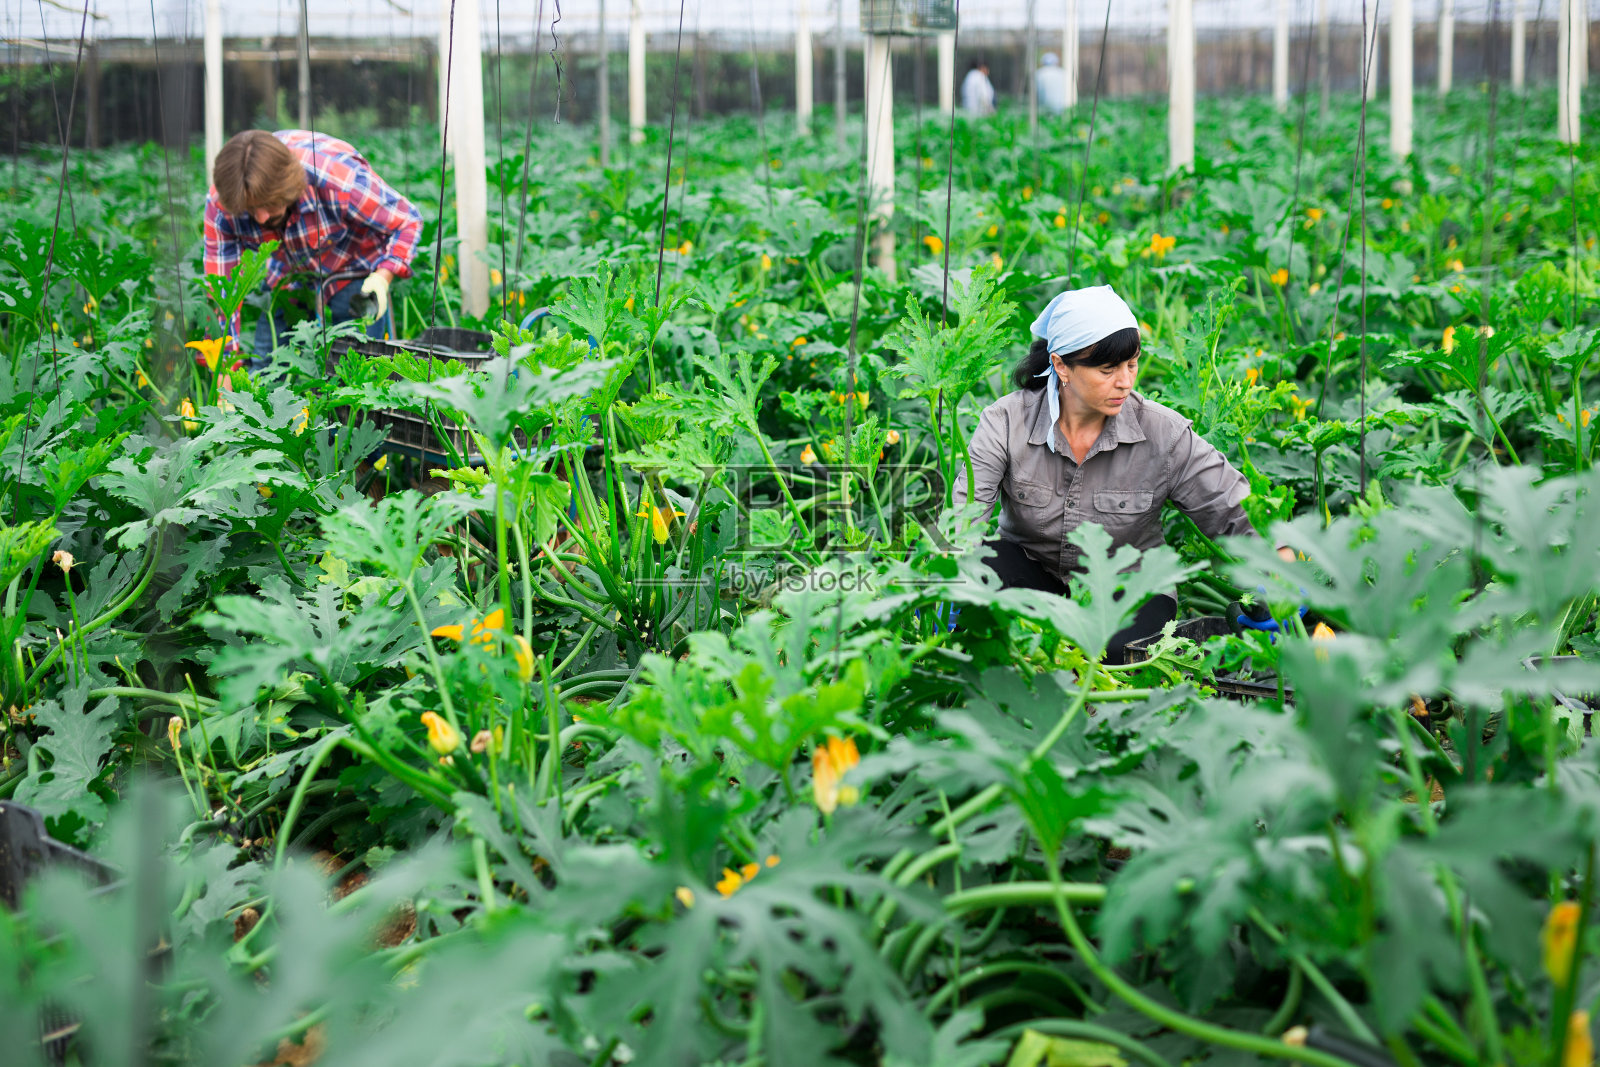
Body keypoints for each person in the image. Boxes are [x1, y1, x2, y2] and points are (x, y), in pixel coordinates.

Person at [953, 286, 1295, 662]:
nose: (1125, 381)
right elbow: (961, 518)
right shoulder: (1005, 422)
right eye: (1108, 369)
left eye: (1131, 364)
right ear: (1062, 366)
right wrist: (940, 581)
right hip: (1037, 577)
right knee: (983, 572)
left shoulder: (1163, 433)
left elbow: (1232, 508)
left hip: (1130, 588)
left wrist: (1283, 571)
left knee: (1113, 652)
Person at [203, 129, 423, 362]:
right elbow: (222, 292)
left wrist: (382, 277)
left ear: (287, 187)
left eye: (268, 204)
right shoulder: (224, 202)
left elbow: (407, 220)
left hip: (352, 262)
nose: (261, 218)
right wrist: (222, 368)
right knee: (268, 366)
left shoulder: (341, 181)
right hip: (286, 272)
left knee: (358, 366)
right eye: (250, 208)